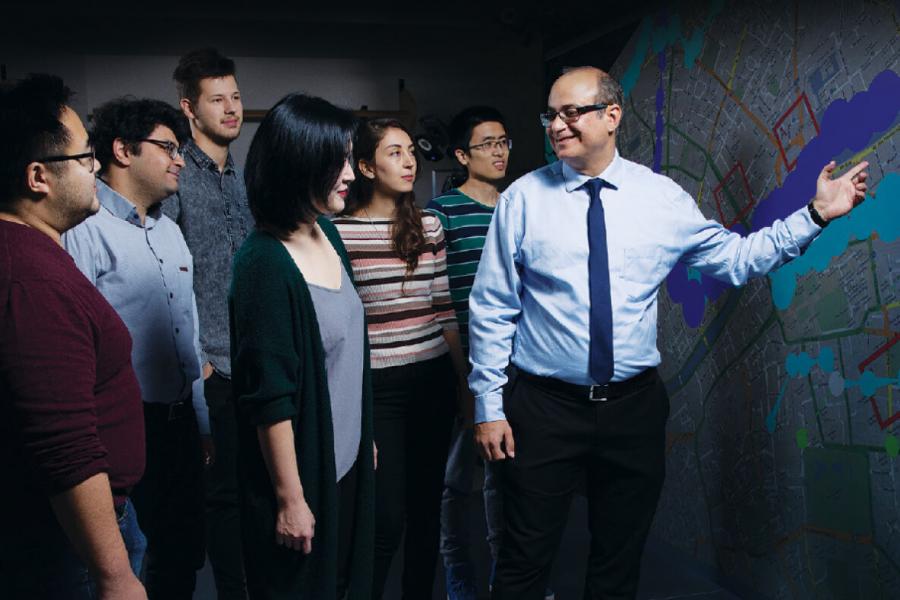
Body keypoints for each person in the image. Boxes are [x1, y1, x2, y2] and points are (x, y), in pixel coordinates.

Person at [468, 66, 869, 600]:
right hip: (543, 408)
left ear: (612, 116)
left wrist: (817, 213)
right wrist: (488, 406)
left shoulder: (661, 198)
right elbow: (492, 306)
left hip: (632, 411)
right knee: (523, 561)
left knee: (618, 560)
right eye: (551, 116)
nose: (557, 126)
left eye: (571, 113)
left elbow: (736, 259)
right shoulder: (523, 199)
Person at [0, 74, 147, 599]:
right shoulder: (33, 279)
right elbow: (64, 445)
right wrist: (114, 575)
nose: (96, 170)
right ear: (39, 177)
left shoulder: (36, 252)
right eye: (85, 159)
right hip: (73, 549)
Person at [230, 93, 375, 600]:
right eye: (336, 160)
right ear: (299, 163)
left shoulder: (328, 235)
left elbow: (347, 354)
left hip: (347, 460)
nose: (351, 174)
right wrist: (290, 499)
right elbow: (270, 399)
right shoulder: (263, 264)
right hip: (303, 476)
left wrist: (362, 437)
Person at [62, 97, 207, 599]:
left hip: (180, 424)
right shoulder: (85, 229)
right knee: (126, 563)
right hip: (122, 429)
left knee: (182, 555)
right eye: (168, 147)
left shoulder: (170, 232)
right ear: (123, 150)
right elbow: (74, 349)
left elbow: (190, 336)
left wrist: (203, 422)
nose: (180, 160)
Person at [334, 118, 468, 599]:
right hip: (378, 387)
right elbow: (340, 325)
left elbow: (443, 308)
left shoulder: (428, 225)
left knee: (426, 508)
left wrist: (462, 383)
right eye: (395, 153)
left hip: (431, 378)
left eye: (411, 150)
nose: (410, 160)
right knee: (385, 517)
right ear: (366, 166)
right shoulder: (338, 233)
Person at [427, 105, 543, 600]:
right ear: (461, 155)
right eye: (486, 144)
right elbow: (434, 298)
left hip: (524, 366)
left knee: (509, 479)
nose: (499, 152)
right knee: (457, 483)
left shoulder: (521, 205)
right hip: (464, 364)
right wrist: (461, 376)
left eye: (504, 142)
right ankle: (459, 582)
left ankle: (505, 582)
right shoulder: (441, 213)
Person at [162, 47, 252, 599]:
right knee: (221, 500)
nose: (232, 108)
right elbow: (166, 275)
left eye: (236, 97)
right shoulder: (176, 176)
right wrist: (199, 367)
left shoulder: (244, 180)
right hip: (211, 368)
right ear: (190, 109)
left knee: (258, 494)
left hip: (255, 364)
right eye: (217, 99)